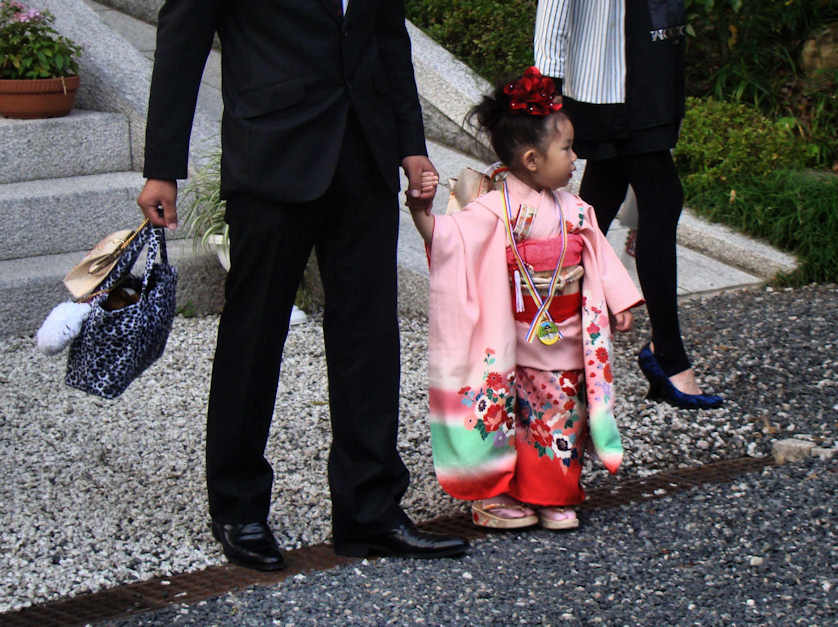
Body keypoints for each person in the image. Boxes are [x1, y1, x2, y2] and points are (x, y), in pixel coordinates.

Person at [136, 0, 468, 571]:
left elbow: (389, 37)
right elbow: (182, 37)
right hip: (271, 153)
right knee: (253, 334)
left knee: (368, 337)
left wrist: (411, 146)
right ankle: (238, 508)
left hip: (363, 156)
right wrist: (162, 165)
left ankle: (370, 509)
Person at [408, 67, 643, 530]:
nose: (576, 158)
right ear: (533, 159)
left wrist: (618, 302)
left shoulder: (575, 210)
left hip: (563, 340)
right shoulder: (494, 207)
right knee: (496, 412)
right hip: (510, 335)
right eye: (567, 149)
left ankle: (550, 495)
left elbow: (597, 254)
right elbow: (450, 240)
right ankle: (491, 496)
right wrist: (422, 213)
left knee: (558, 417)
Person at [534, 0, 723, 409]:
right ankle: (667, 357)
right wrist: (545, 80)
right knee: (659, 195)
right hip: (608, 74)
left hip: (646, 62)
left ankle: (546, 341)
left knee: (597, 203)